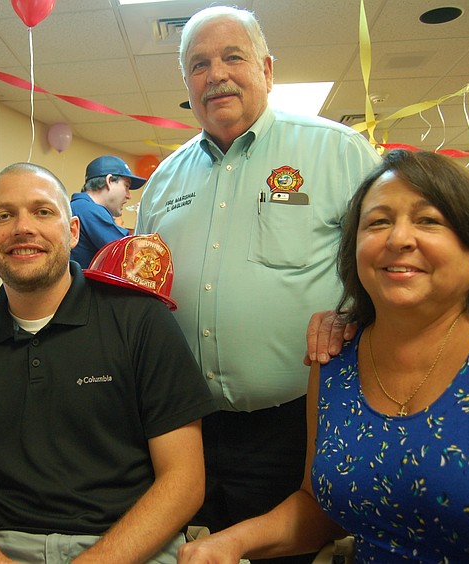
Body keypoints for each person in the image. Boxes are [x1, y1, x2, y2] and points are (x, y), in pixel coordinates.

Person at [179, 149, 469, 562]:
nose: (398, 239)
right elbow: (319, 509)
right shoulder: (336, 356)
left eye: (428, 220)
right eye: (378, 222)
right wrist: (229, 542)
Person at [134, 7, 382, 562]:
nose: (216, 74)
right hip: (185, 428)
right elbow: (146, 292)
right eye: (199, 64)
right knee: (195, 553)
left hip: (295, 421)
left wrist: (355, 315)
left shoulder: (339, 152)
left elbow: (384, 266)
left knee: (285, 553)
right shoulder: (163, 182)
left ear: (267, 69)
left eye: (233, 57)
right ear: (186, 83)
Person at [0, 162, 216, 563]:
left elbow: (184, 480)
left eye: (42, 211)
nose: (23, 227)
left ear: (72, 232)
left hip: (130, 548)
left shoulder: (142, 321)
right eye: (4, 216)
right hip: (3, 549)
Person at [70, 155, 146, 268]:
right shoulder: (89, 210)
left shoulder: (78, 206)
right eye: (126, 186)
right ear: (109, 181)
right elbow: (133, 256)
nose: (128, 196)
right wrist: (142, 219)